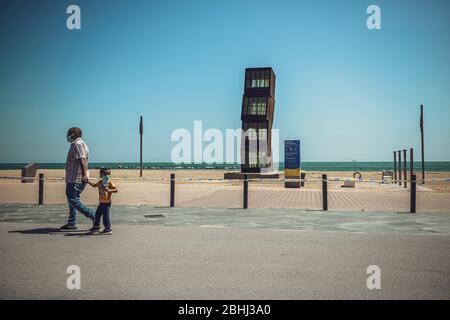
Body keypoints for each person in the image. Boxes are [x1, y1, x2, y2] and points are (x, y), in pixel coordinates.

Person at [61, 127, 96, 230]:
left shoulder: (78, 144)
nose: (67, 135)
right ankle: (71, 223)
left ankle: (94, 217)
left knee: (73, 200)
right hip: (73, 177)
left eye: (69, 133)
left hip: (76, 178)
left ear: (74, 134)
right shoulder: (77, 144)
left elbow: (82, 159)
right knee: (72, 200)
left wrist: (84, 175)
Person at [88, 167, 118, 235]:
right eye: (105, 174)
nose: (107, 175)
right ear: (101, 175)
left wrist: (109, 190)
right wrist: (88, 182)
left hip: (107, 203)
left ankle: (108, 229)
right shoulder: (100, 182)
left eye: (108, 174)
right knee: (97, 214)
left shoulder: (109, 182)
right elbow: (94, 185)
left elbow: (116, 190)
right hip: (101, 202)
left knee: (105, 216)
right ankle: (97, 227)